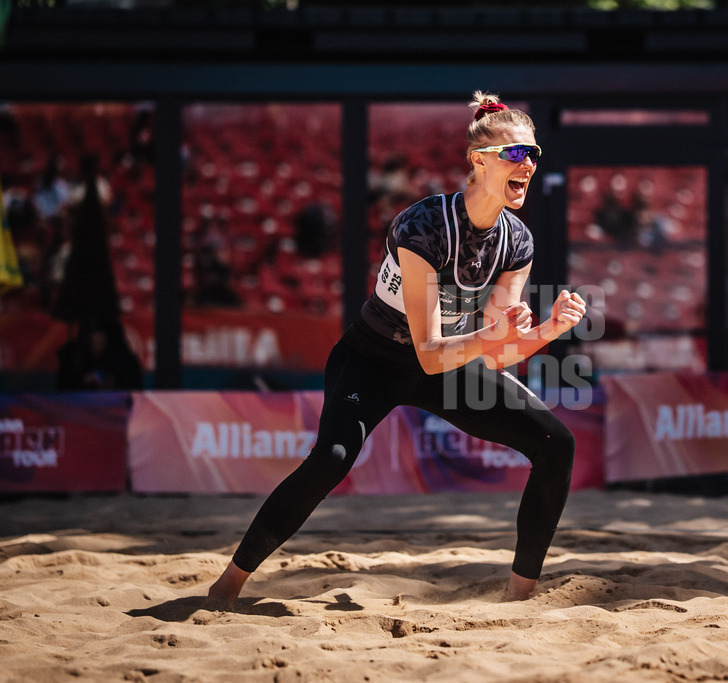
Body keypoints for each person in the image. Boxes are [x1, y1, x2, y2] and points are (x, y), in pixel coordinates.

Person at [206, 91, 587, 608]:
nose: (529, 164)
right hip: (375, 359)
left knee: (555, 444)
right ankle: (229, 583)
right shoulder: (423, 226)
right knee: (332, 458)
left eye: (534, 154)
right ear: (478, 161)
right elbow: (431, 352)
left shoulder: (516, 240)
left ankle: (520, 598)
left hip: (448, 364)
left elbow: (495, 353)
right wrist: (494, 336)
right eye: (516, 153)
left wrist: (546, 331)